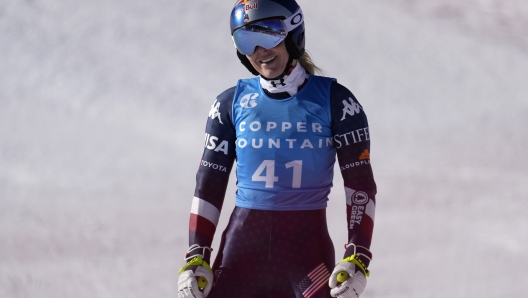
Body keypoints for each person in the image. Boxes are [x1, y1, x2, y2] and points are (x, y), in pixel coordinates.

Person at [177, 0, 377, 297]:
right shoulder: (229, 104)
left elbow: (360, 186)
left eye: (269, 35)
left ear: (294, 33)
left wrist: (358, 257)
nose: (260, 51)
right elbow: (209, 185)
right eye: (246, 40)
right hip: (239, 260)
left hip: (307, 263)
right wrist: (196, 255)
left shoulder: (337, 102)